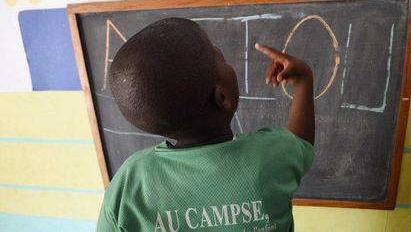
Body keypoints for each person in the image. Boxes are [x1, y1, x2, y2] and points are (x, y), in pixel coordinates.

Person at [96, 17, 314, 232]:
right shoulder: (273, 155)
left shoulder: (130, 182)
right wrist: (304, 79)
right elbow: (302, 142)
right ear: (222, 97)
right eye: (220, 57)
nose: (224, 57)